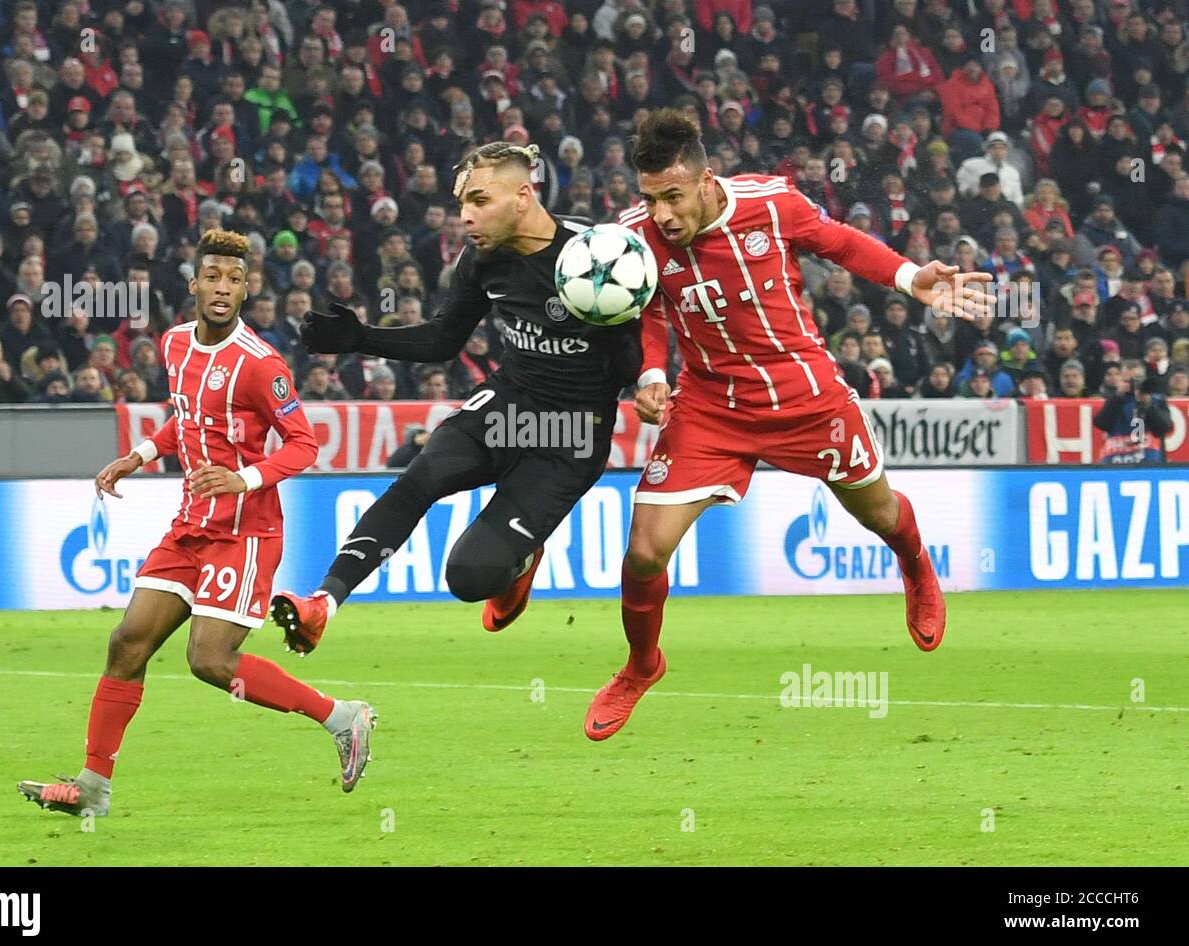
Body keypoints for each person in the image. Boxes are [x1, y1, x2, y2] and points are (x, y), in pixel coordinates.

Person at [589, 110, 993, 740]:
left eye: (672, 196)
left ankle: (915, 565)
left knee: (880, 513)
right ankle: (643, 664)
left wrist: (914, 278)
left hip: (805, 395)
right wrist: (649, 377)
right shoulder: (634, 235)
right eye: (649, 197)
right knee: (644, 552)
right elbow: (647, 313)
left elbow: (842, 243)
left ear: (704, 181)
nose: (662, 214)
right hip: (710, 407)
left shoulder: (772, 203)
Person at [18, 229, 374, 820]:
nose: (222, 288)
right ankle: (93, 788)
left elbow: (305, 444)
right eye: (213, 276)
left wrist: (246, 479)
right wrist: (140, 455)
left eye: (235, 279)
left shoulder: (261, 366)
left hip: (247, 531)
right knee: (127, 642)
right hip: (191, 524)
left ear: (246, 288)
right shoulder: (176, 344)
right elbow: (183, 421)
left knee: (209, 660)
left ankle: (342, 716)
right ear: (194, 283)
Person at [268, 141, 641, 651]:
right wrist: (362, 338)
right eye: (462, 203)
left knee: (468, 577)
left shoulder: (597, 255)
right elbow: (444, 339)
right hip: (508, 406)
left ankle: (520, 559)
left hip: (570, 437)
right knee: (420, 477)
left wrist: (620, 332)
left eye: (480, 201)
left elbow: (627, 368)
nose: (465, 217)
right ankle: (323, 603)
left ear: (524, 196)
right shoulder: (483, 260)